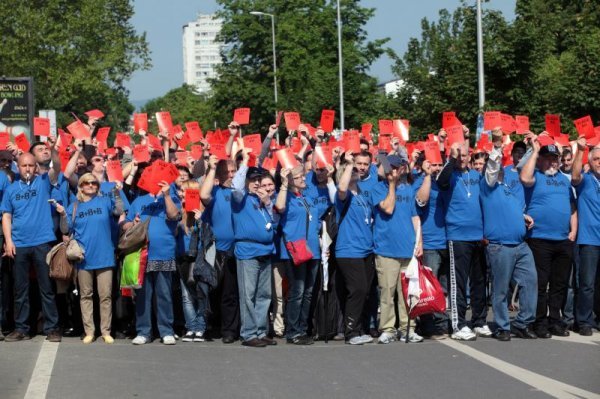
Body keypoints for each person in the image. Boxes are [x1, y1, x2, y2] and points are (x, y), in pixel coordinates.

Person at [481, 138, 538, 341]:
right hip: (501, 246)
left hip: (520, 245)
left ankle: (523, 323)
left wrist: (523, 217)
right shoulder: (487, 186)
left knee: (530, 281)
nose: (499, 170)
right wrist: (497, 148)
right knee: (501, 289)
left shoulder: (506, 188)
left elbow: (511, 208)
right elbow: (493, 167)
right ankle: (503, 326)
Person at [2, 152, 62, 342]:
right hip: (19, 244)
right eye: (23, 166)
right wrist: (9, 241)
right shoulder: (11, 190)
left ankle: (52, 328)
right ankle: (21, 328)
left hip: (41, 242)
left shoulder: (43, 182)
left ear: (36, 167)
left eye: (30, 165)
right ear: (17, 167)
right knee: (20, 289)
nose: (27, 169)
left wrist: (53, 150)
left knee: (46, 288)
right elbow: (6, 216)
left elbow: (57, 168)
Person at [57, 173, 124, 344]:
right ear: (80, 186)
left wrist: (117, 193)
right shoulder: (74, 206)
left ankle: (106, 331)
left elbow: (119, 210)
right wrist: (63, 215)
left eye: (94, 182)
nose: (91, 185)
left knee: (105, 296)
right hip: (83, 257)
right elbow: (65, 229)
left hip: (105, 255)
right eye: (87, 183)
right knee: (86, 295)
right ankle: (89, 331)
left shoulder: (104, 201)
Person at [520, 139, 577, 338]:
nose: (552, 163)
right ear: (541, 160)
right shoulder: (535, 176)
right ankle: (539, 321)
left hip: (563, 239)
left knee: (559, 284)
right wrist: (535, 150)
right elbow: (525, 178)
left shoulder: (564, 180)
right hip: (540, 239)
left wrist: (573, 231)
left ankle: (555, 320)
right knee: (541, 283)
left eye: (555, 159)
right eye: (549, 159)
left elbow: (572, 208)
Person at [437, 141, 490, 341]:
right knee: (458, 282)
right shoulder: (449, 175)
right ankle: (458, 324)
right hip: (458, 236)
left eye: (466, 155)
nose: (463, 158)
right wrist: (451, 158)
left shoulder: (476, 176)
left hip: (478, 236)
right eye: (459, 155)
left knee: (479, 280)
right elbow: (441, 181)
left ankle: (479, 320)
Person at [372, 154, 424, 344]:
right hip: (386, 249)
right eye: (391, 168)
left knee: (407, 293)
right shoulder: (378, 188)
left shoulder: (409, 189)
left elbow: (415, 217)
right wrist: (392, 185)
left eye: (398, 167)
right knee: (387, 291)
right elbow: (388, 208)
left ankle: (407, 328)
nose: (394, 171)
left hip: (407, 248)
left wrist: (420, 242)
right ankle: (387, 328)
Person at [124, 174, 181, 345]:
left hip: (163, 253)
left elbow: (174, 216)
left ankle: (166, 331)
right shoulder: (138, 201)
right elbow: (125, 224)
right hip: (140, 254)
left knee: (164, 294)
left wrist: (166, 195)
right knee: (142, 295)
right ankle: (143, 331)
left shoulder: (172, 197)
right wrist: (132, 224)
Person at [231, 159, 277, 348]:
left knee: (264, 294)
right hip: (248, 251)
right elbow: (236, 186)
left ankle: (260, 330)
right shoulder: (239, 199)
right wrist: (245, 165)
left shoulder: (263, 201)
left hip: (266, 250)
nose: (258, 183)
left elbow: (274, 222)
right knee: (248, 294)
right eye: (254, 180)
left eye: (260, 179)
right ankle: (249, 333)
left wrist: (267, 203)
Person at [276, 165, 323, 345]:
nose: (303, 178)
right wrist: (283, 183)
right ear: (290, 180)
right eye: (299, 177)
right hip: (295, 251)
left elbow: (316, 222)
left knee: (309, 292)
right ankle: (293, 331)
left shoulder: (307, 198)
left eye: (303, 175)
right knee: (297, 291)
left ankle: (302, 329)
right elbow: (279, 207)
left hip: (313, 251)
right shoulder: (285, 197)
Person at [335, 151, 375, 345]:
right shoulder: (344, 195)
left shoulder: (361, 194)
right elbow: (342, 188)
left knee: (365, 290)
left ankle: (359, 328)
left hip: (366, 249)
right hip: (349, 250)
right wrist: (349, 164)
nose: (358, 170)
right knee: (357, 289)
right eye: (353, 169)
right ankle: (350, 332)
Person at [200, 156, 240, 343]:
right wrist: (213, 168)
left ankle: (229, 330)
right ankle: (210, 326)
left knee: (229, 293)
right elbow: (203, 195)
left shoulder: (241, 192)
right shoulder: (215, 191)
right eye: (226, 172)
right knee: (212, 290)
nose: (230, 175)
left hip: (235, 250)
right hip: (215, 250)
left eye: (233, 172)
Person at [571, 139, 600, 336]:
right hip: (589, 240)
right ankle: (583, 321)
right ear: (590, 162)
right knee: (587, 284)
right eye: (597, 159)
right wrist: (581, 151)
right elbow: (574, 176)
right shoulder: (586, 179)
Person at [176, 180, 206, 343]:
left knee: (200, 294)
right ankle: (191, 327)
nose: (181, 193)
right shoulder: (178, 211)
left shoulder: (204, 211)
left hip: (200, 257)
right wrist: (179, 214)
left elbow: (209, 235)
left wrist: (200, 219)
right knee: (186, 296)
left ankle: (200, 327)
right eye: (180, 191)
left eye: (183, 191)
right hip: (183, 256)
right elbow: (173, 232)